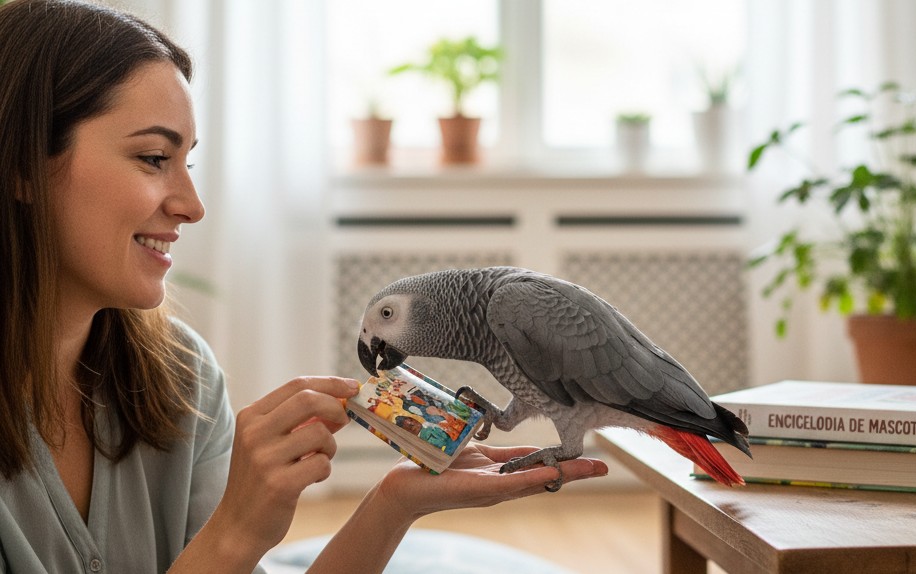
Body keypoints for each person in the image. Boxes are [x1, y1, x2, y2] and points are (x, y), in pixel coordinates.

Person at [0, 1, 608, 572]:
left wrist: (397, 502)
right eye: (155, 158)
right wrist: (234, 531)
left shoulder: (182, 377)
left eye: (189, 161)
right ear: (23, 166)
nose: (192, 205)